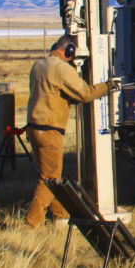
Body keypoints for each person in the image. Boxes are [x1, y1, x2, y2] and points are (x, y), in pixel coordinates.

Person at [24, 35, 108, 229]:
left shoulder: (38, 65)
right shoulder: (61, 68)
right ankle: (32, 223)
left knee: (53, 174)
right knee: (50, 178)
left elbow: (51, 93)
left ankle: (60, 215)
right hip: (49, 129)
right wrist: (106, 86)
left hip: (34, 127)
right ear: (69, 50)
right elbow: (86, 93)